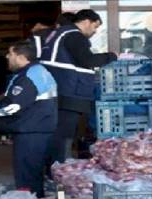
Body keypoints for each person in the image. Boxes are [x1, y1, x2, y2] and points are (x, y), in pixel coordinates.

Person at [41, 9, 117, 164]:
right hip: (69, 91)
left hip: (58, 89)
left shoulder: (59, 33)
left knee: (58, 133)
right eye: (95, 27)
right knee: (63, 135)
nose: (95, 32)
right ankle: (57, 170)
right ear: (86, 21)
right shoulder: (74, 35)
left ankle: (53, 168)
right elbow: (87, 60)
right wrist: (112, 56)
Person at [0, 41, 57, 198]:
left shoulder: (28, 77)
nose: (7, 56)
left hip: (31, 131)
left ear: (21, 56)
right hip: (39, 128)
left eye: (10, 54)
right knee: (34, 174)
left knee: (27, 179)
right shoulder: (38, 71)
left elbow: (12, 106)